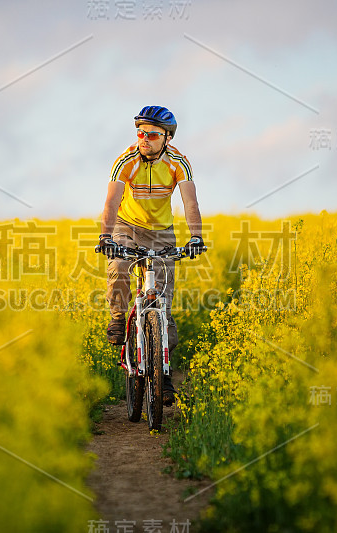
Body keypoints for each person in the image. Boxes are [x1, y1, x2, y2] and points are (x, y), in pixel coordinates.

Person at [97, 105, 206, 406]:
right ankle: (119, 318)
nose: (144, 138)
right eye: (140, 132)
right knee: (118, 265)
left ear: (167, 138)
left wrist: (196, 236)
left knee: (163, 303)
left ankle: (165, 376)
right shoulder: (126, 160)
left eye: (152, 134)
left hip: (162, 231)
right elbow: (110, 203)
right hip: (126, 225)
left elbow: (190, 203)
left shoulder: (178, 163)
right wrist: (106, 236)